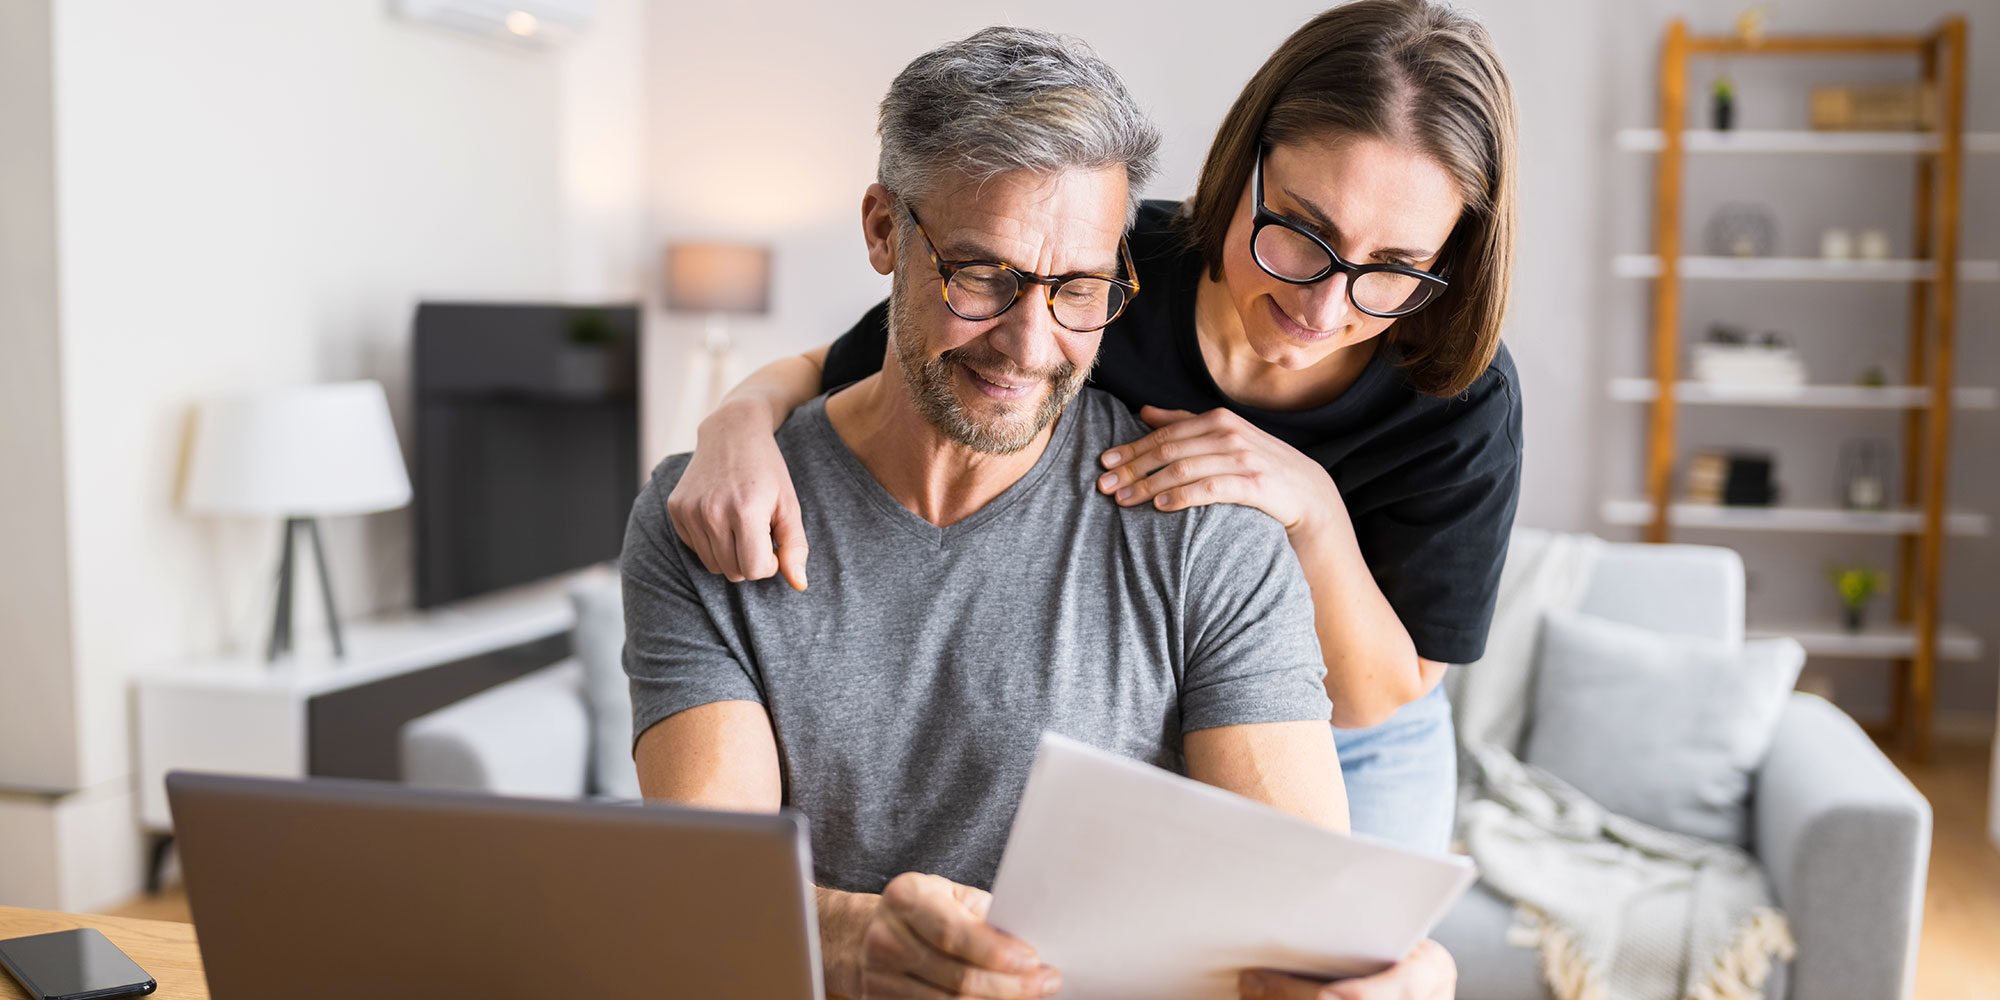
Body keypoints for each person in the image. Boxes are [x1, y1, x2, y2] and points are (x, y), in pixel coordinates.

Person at [626, 26, 1453, 1000]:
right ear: (884, 230)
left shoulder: (1208, 533)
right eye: (981, 274)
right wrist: (852, 941)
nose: (1028, 343)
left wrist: (1413, 973)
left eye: (1078, 289)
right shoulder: (714, 519)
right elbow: (709, 908)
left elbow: (1305, 931)